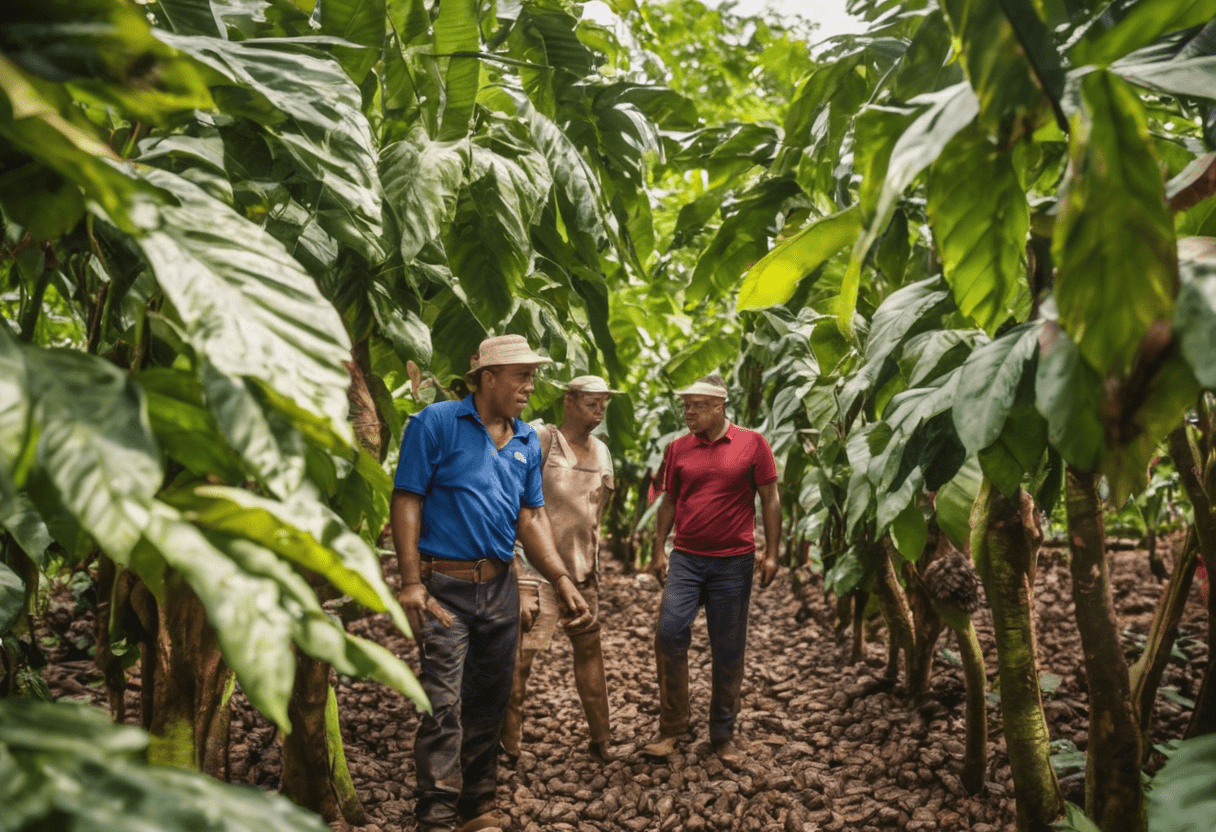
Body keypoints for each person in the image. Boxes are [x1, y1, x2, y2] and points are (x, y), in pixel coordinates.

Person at [391, 334, 591, 832]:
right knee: (442, 704)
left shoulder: (524, 439)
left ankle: (475, 807)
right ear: (487, 378)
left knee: (489, 699)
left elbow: (530, 517)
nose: (530, 385)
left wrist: (560, 579)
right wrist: (411, 580)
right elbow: (407, 498)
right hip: (445, 589)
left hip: (500, 587)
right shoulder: (435, 423)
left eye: (532, 375)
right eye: (520, 375)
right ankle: (434, 816)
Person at [641, 374, 781, 768]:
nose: (688, 413)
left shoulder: (753, 444)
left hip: (734, 561)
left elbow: (770, 498)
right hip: (686, 557)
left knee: (728, 647)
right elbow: (669, 500)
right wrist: (658, 548)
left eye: (696, 406)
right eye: (685, 406)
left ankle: (722, 735)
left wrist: (772, 552)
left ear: (719, 406)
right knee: (668, 632)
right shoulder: (678, 448)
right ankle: (672, 729)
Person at [500, 375, 620, 767]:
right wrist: (517, 567)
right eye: (591, 402)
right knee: (521, 660)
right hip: (536, 571)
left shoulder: (602, 451)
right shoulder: (541, 439)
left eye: (604, 403)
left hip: (583, 572)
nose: (600, 410)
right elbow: (514, 502)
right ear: (568, 402)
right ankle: (508, 747)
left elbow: (601, 509)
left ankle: (601, 740)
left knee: (589, 648)